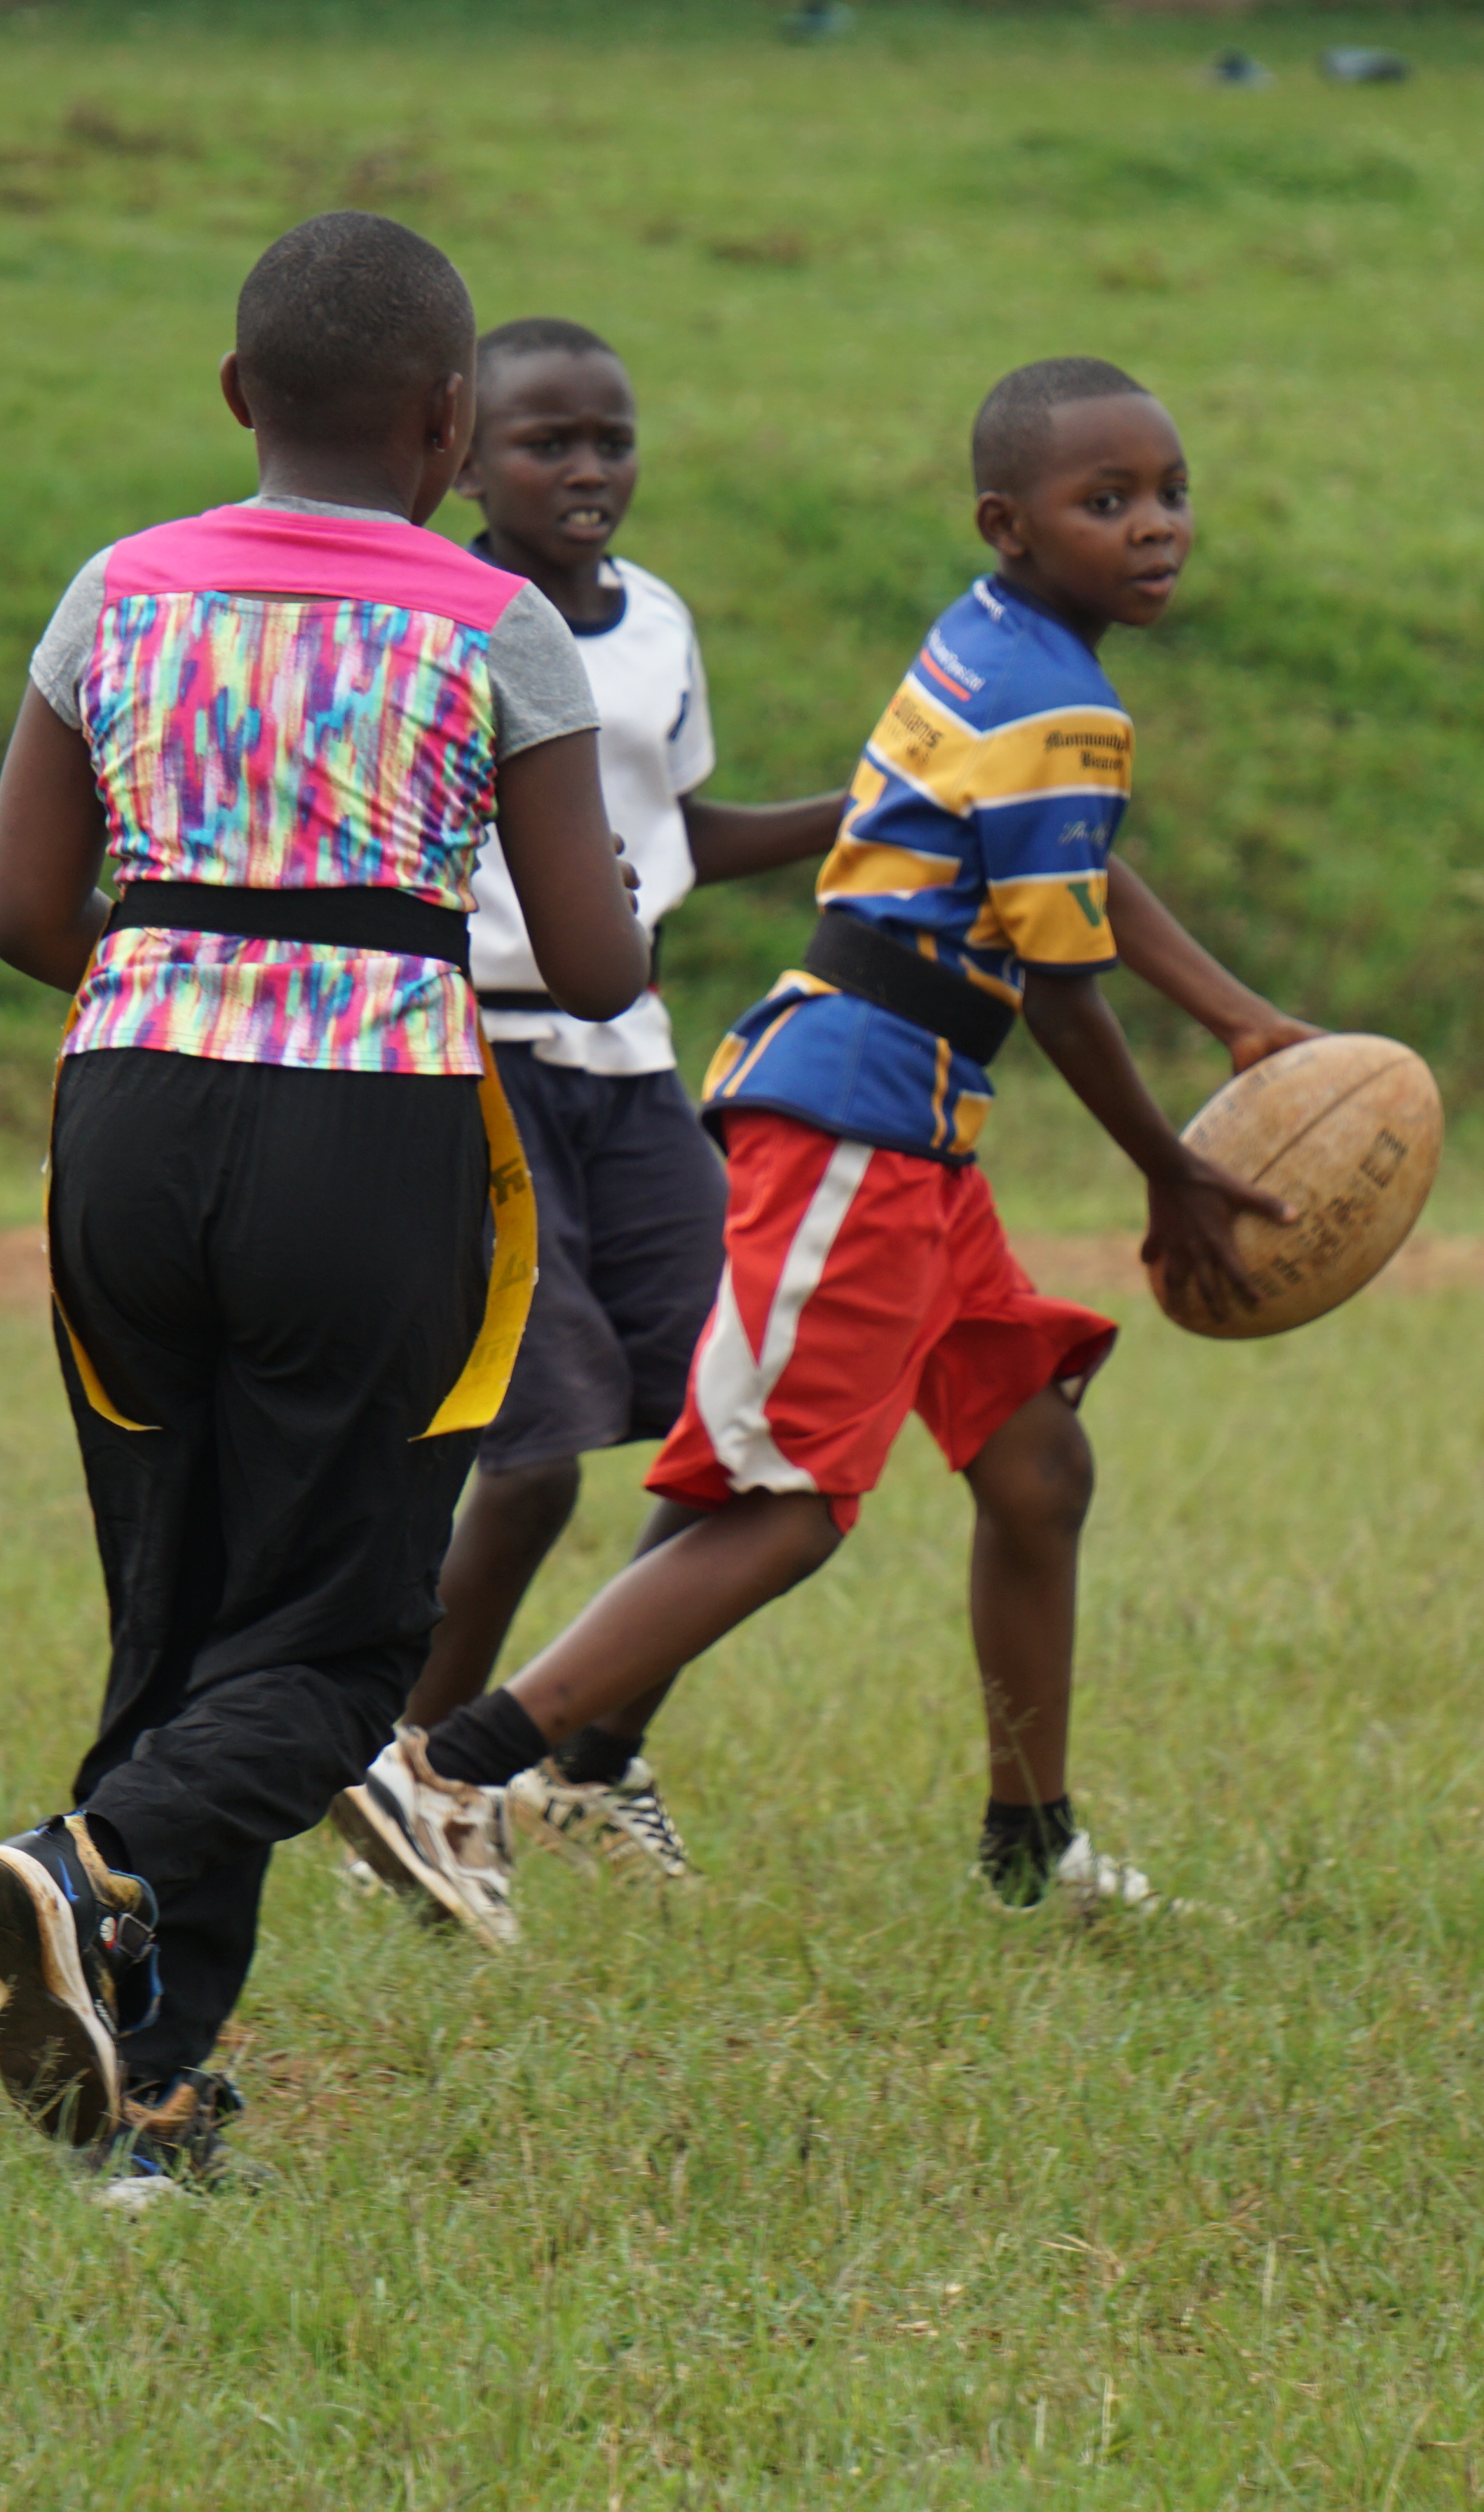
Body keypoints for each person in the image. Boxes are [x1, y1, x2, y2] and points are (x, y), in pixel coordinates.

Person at [335, 356, 1316, 1948]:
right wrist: (1171, 1164)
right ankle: (456, 1771)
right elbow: (1057, 977)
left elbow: (1082, 876)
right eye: (1106, 501)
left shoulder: (997, 635)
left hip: (912, 1124)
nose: (1154, 529)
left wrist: (1247, 1026)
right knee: (786, 1504)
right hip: (855, 1119)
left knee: (1034, 1463)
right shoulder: (1050, 694)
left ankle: (1029, 1844)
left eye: (1169, 493)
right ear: (1009, 519)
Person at [0, 212, 646, 2206]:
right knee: (344, 1635)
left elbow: (17, 916)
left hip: (134, 1105)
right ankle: (92, 1868)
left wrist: (185, 977)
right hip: (375, 1127)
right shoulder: (492, 620)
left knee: (181, 1597)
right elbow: (591, 967)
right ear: (450, 421)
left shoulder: (118, 590)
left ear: (240, 396)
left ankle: (148, 2103)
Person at [379, 315, 845, 1885]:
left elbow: (684, 828)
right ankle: (419, 1784)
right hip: (480, 1063)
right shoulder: (441, 621)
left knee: (736, 1426)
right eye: (544, 442)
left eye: (610, 440)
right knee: (532, 1463)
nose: (585, 470)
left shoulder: (658, 625)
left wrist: (884, 814)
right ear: (461, 455)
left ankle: (588, 1762)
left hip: (635, 1071)